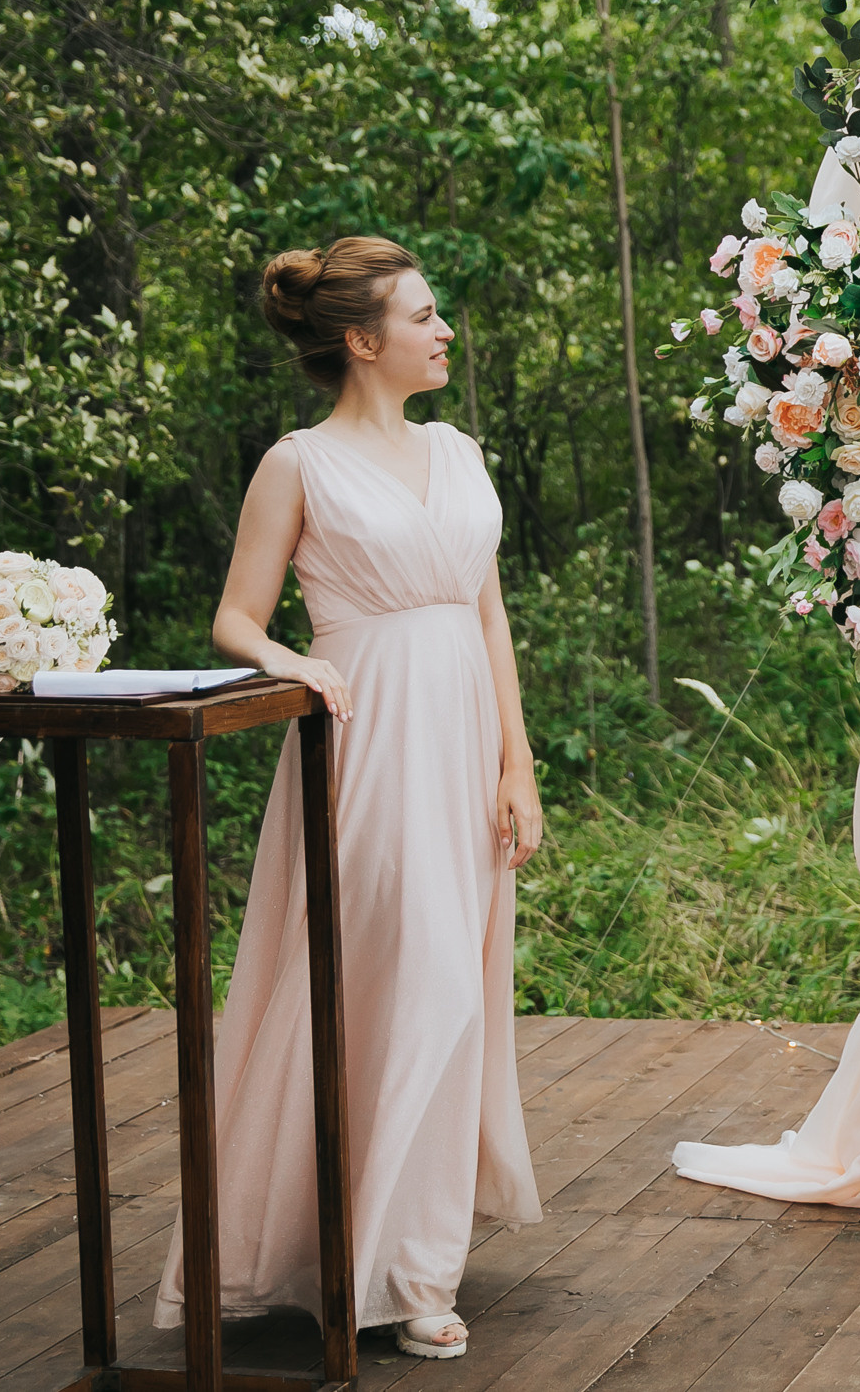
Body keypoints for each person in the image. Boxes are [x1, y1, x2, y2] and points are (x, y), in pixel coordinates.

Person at [155, 236, 544, 1359]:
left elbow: (488, 616)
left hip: (464, 743)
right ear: (363, 342)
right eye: (423, 316)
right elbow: (235, 615)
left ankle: (406, 1253)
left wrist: (517, 765)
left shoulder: (459, 452)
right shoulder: (299, 464)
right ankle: (382, 1265)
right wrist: (293, 661)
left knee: (453, 986)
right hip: (366, 738)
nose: (445, 330)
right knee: (400, 981)